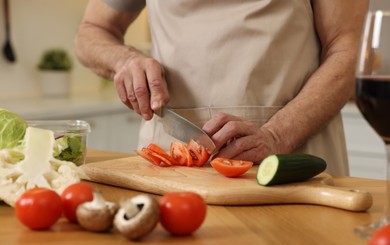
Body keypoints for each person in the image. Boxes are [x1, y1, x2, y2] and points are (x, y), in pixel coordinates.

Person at [75, 0, 369, 176]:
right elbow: (92, 32)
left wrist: (277, 136)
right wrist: (124, 59)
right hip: (171, 164)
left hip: (290, 163)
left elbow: (346, 51)